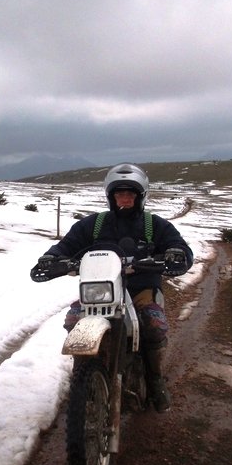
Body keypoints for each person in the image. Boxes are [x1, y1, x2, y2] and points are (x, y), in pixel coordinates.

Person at [35, 163, 193, 412]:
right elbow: (67, 245)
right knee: (74, 319)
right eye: (119, 193)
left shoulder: (154, 225)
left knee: (152, 325)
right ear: (111, 196)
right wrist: (51, 258)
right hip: (99, 289)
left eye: (130, 193)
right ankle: (84, 376)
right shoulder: (94, 225)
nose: (125, 198)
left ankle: (154, 381)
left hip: (140, 288)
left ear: (140, 196)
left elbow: (179, 246)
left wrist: (177, 254)